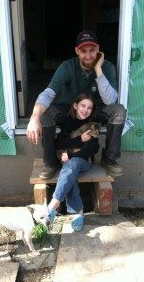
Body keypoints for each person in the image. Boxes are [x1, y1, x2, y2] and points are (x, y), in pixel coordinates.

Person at [27, 30, 126, 179]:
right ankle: (50, 162)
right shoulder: (67, 67)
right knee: (45, 113)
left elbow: (110, 101)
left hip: (94, 110)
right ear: (77, 51)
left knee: (119, 110)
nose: (88, 55)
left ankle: (109, 159)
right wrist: (34, 118)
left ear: (98, 49)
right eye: (83, 51)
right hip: (69, 110)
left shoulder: (107, 67)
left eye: (92, 50)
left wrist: (98, 69)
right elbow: (48, 93)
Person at [47, 93, 99, 231]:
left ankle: (54, 203)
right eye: (83, 106)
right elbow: (59, 143)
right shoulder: (67, 122)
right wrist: (79, 140)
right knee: (70, 173)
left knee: (73, 164)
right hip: (67, 162)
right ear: (75, 106)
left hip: (84, 161)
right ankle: (78, 212)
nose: (85, 110)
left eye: (89, 108)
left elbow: (93, 148)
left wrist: (70, 154)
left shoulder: (91, 125)